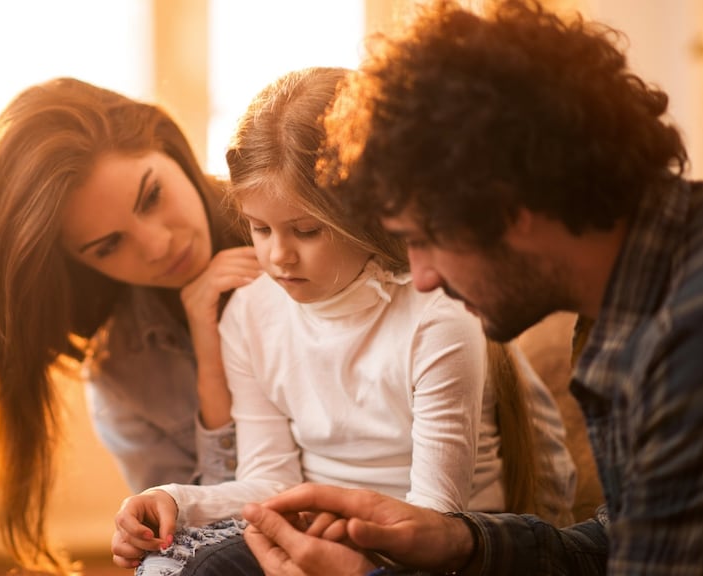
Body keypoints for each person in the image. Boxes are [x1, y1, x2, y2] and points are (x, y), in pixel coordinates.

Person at [240, 1, 703, 575]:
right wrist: (461, 543)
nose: (421, 276)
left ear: (507, 208)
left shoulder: (693, 332)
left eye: (424, 238)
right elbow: (619, 543)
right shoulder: (627, 301)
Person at [112, 67, 576, 576]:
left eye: (307, 230)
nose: (279, 256)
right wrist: (175, 499)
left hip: (424, 548)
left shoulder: (438, 315)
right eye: (260, 228)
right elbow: (271, 483)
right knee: (166, 568)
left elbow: (437, 522)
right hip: (313, 532)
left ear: (368, 214)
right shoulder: (250, 311)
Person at [0, 77, 263, 573]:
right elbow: (202, 535)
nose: (156, 245)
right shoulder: (122, 376)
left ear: (168, 145)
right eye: (108, 246)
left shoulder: (306, 225)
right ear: (80, 265)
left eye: (151, 197)